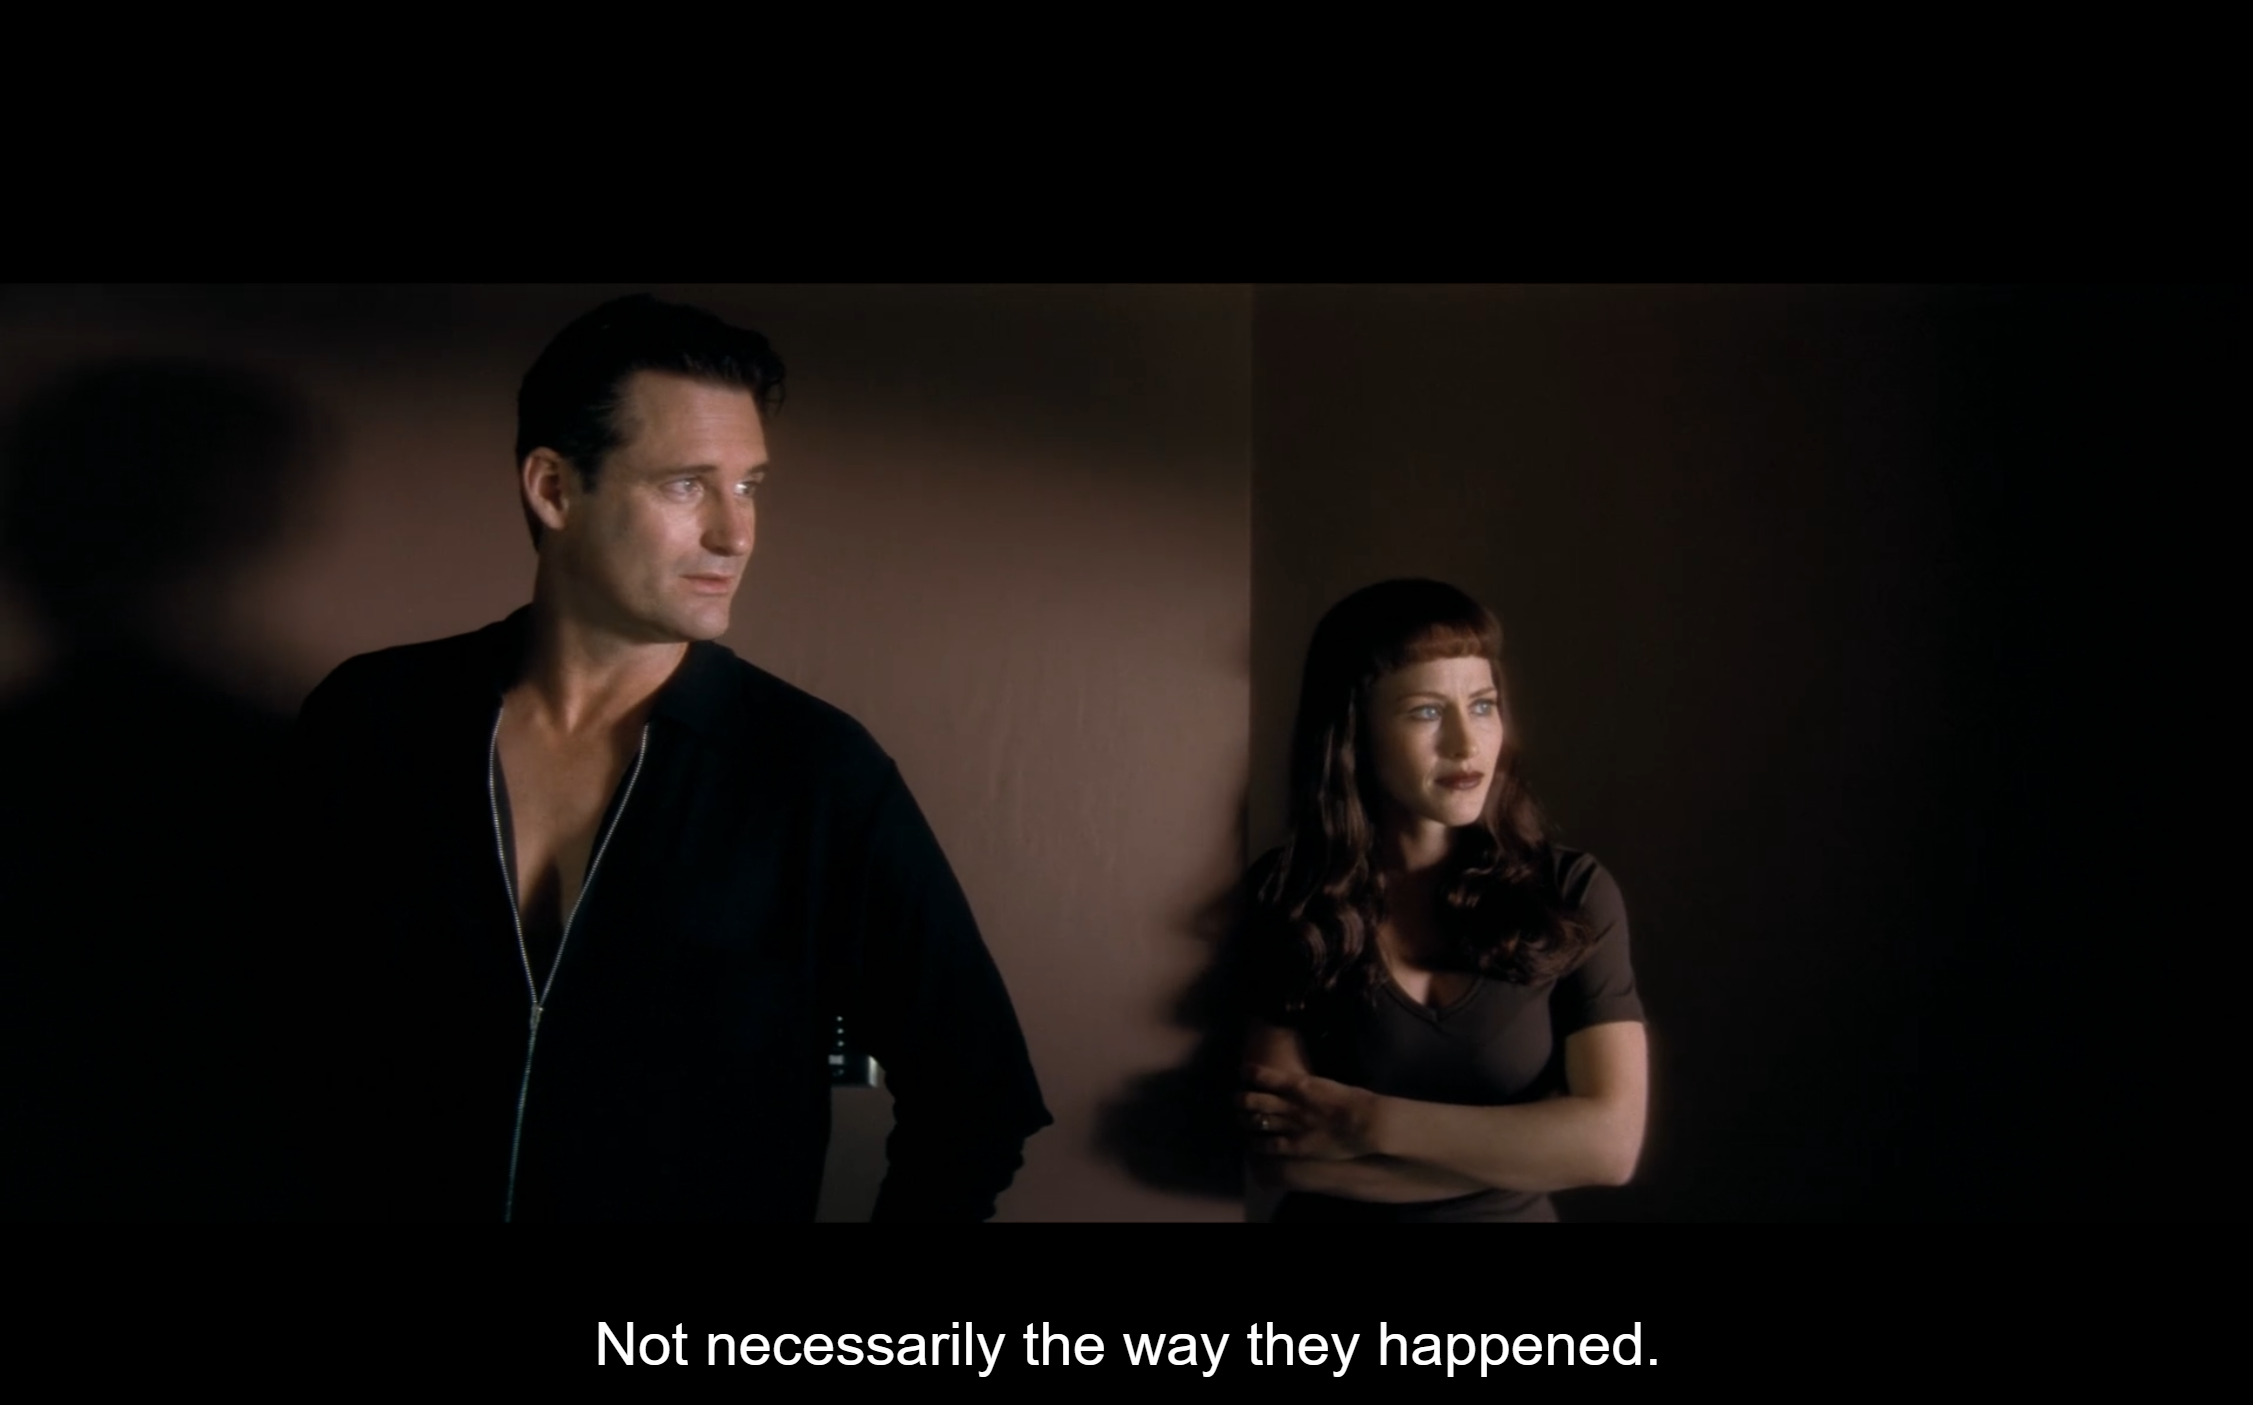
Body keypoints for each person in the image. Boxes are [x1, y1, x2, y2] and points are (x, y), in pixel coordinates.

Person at [286, 294, 1050, 1221]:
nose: (736, 533)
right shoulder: (374, 721)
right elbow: (256, 1037)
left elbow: (978, 1096)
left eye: (749, 485)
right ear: (554, 489)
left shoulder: (814, 773)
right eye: (687, 485)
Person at [1237, 578, 1646, 1222]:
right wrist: (1529, 1147)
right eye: (1426, 711)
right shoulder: (1288, 891)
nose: (1466, 742)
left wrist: (1366, 1122)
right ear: (1354, 732)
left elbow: (1610, 1148)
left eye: (1482, 705)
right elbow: (1283, 1159)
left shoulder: (1570, 890)